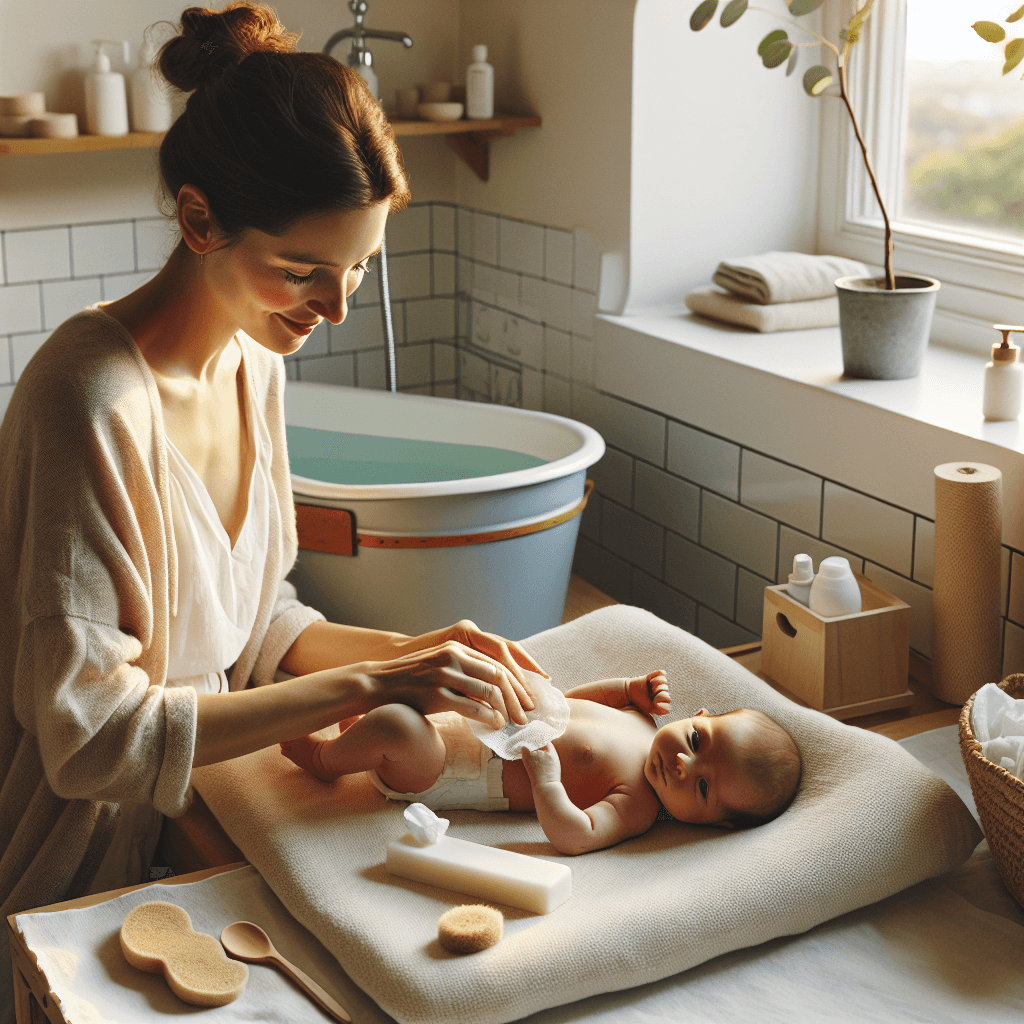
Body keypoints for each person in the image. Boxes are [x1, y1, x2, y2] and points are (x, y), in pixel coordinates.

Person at [0, 5, 541, 1014]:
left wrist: (429, 654)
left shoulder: (255, 361)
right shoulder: (88, 400)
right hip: (77, 869)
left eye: (357, 272)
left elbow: (258, 624)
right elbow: (90, 739)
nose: (334, 310)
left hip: (207, 809)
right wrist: (372, 681)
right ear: (198, 219)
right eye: (304, 272)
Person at [280, 671, 803, 854]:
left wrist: (547, 782)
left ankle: (326, 759)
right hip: (473, 719)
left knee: (398, 727)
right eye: (696, 738)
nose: (684, 764)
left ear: (717, 825)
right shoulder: (642, 722)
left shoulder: (639, 805)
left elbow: (575, 835)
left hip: (449, 771)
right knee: (426, 680)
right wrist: (624, 689)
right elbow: (571, 704)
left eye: (704, 789)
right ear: (699, 714)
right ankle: (355, 724)